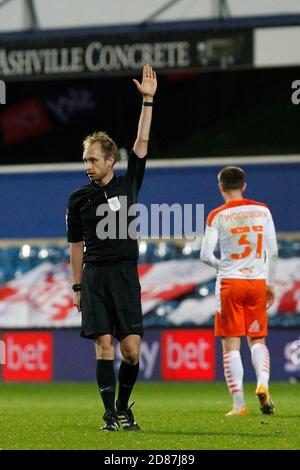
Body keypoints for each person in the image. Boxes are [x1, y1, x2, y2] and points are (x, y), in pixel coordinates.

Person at [66, 64, 157, 431]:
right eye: (85, 159)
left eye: (92, 159)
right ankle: (108, 414)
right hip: (95, 277)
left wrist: (147, 101)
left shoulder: (128, 185)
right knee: (104, 344)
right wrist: (76, 287)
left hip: (124, 274)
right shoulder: (77, 199)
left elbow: (142, 144)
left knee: (131, 350)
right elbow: (75, 246)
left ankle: (122, 404)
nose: (87, 165)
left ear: (110, 160)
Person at [200, 166, 278, 416]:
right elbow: (273, 252)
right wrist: (271, 283)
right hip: (257, 282)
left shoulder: (217, 215)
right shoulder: (262, 210)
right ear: (244, 186)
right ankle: (263, 384)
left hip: (229, 283)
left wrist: (220, 264)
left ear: (220, 187)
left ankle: (239, 405)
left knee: (231, 345)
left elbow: (205, 255)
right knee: (257, 339)